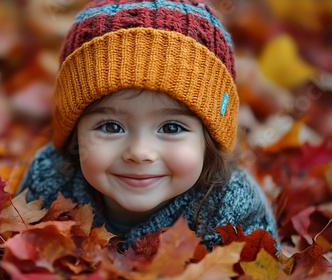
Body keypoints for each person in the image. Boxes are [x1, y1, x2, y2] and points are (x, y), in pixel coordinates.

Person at [18, 0, 279, 251]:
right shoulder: (50, 181)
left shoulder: (232, 205)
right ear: (75, 133)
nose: (140, 152)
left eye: (171, 128)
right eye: (111, 126)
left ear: (209, 137)